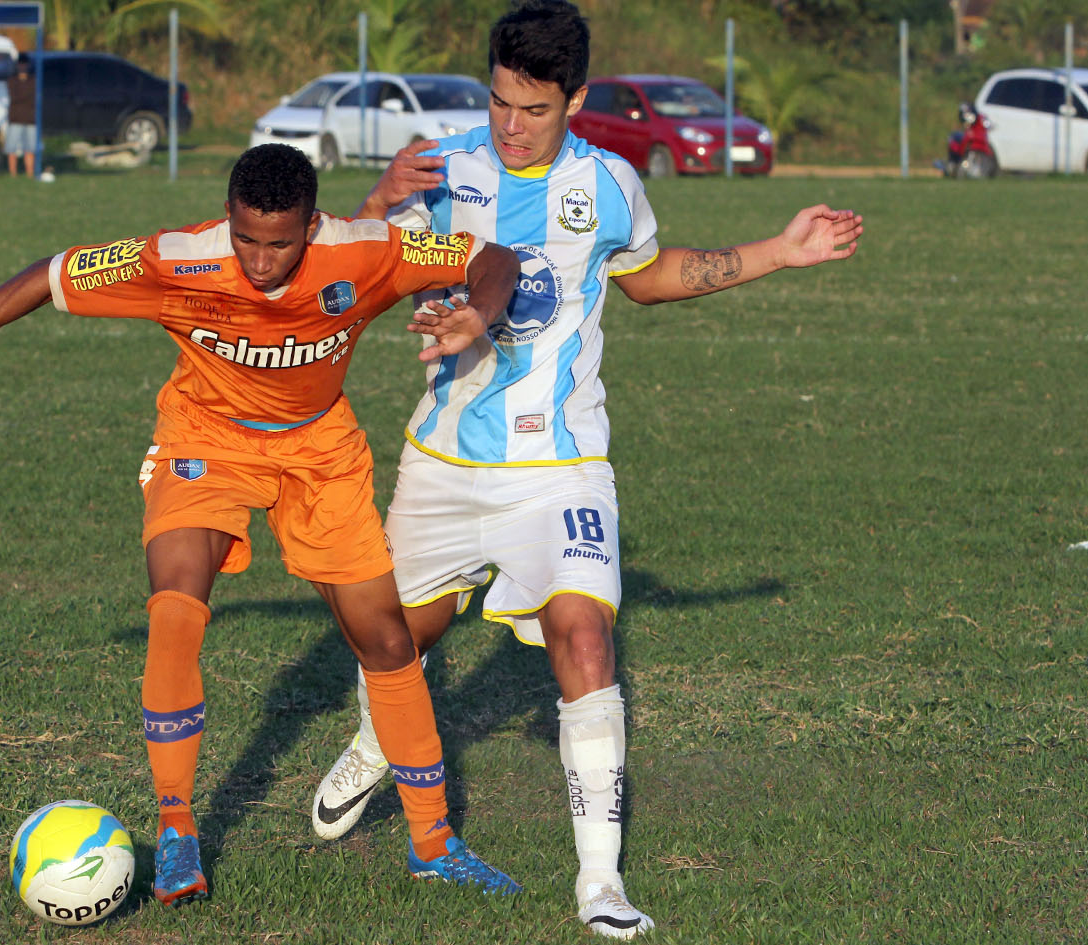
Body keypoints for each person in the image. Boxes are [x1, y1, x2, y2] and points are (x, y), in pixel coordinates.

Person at [307, 1, 864, 939]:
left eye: (531, 108)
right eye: (496, 103)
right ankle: (377, 736)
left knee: (585, 642)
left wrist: (779, 249)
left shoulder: (610, 183)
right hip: (441, 459)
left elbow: (644, 277)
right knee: (391, 641)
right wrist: (374, 202)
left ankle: (599, 886)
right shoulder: (442, 166)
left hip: (561, 465)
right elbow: (342, 273)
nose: (508, 125)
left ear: (576, 100)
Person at [0, 143, 525, 907]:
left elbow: (490, 253)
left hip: (319, 451)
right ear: (229, 219)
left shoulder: (365, 249)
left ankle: (433, 842)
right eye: (245, 237)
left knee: (383, 638)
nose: (260, 258)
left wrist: (479, 310)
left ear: (311, 225)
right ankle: (177, 828)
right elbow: (51, 274)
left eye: (279, 242)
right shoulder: (176, 259)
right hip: (203, 439)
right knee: (176, 604)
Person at [4, 57, 36, 177]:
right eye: (20, 65)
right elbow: (16, 96)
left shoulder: (34, 80)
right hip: (16, 118)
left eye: (25, 64)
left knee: (30, 148)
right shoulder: (12, 81)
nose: (23, 67)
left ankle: (30, 173)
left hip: (31, 119)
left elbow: (31, 96)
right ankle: (13, 173)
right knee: (11, 147)